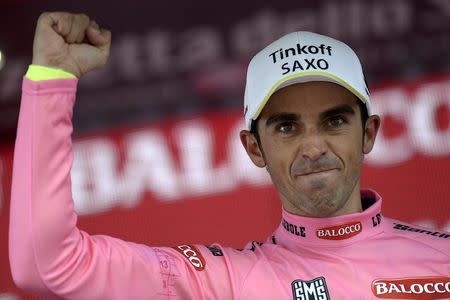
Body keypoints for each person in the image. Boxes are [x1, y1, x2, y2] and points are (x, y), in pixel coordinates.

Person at [9, 12, 449, 300]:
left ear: (368, 133)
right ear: (253, 147)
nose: (313, 147)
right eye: (286, 126)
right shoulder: (227, 284)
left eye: (334, 121)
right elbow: (48, 267)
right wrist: (52, 79)